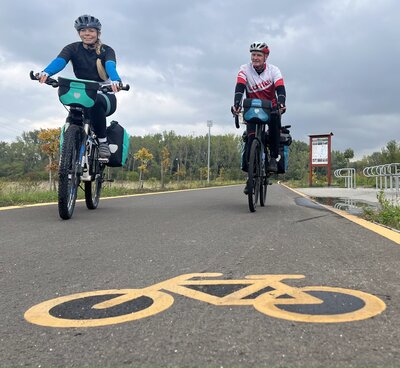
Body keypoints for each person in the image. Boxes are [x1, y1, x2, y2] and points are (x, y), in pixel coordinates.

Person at [37, 14, 123, 159]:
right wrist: (46, 72)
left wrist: (115, 80)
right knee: (73, 113)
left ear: (98, 33)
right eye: (83, 30)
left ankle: (103, 141)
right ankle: (69, 153)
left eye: (91, 30)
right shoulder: (72, 48)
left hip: (104, 93)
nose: (87, 34)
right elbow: (60, 61)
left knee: (94, 103)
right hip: (82, 91)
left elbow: (110, 65)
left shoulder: (106, 50)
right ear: (78, 32)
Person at [231, 42, 286, 193]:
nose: (255, 58)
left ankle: (273, 158)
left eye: (258, 55)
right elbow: (240, 87)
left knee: (275, 126)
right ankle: (251, 178)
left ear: (265, 57)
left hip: (270, 108)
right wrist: (236, 104)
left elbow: (280, 88)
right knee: (250, 140)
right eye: (253, 55)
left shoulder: (274, 70)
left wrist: (281, 102)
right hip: (252, 108)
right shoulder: (244, 69)